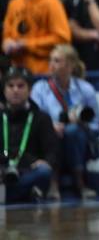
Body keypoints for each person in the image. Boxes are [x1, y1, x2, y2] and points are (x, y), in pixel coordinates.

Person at [30, 45, 99, 199]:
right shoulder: (40, 89)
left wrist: (82, 124)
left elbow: (97, 126)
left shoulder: (86, 89)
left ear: (70, 65)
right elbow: (33, 122)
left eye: (56, 61)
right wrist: (50, 127)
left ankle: (80, 182)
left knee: (72, 131)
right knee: (55, 133)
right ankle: (53, 182)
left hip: (79, 141)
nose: (51, 65)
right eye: (50, 60)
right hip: (50, 141)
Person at [3, 0, 72, 74]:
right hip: (17, 73)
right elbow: (7, 34)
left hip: (43, 72)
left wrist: (27, 44)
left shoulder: (51, 2)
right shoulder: (14, 3)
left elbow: (62, 38)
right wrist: (7, 43)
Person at [1, 67, 58, 203]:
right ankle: (23, 195)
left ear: (30, 90)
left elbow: (53, 151)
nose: (15, 90)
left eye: (21, 86)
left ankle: (11, 195)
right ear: (4, 90)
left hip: (27, 172)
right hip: (2, 173)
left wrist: (46, 162)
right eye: (11, 86)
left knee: (43, 172)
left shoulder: (41, 118)